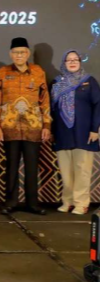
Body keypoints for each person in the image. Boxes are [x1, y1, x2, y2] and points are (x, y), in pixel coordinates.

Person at [0, 37, 51, 216]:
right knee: (11, 166)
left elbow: (44, 100)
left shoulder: (38, 72)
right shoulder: (2, 72)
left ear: (28, 54)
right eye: (15, 52)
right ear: (10, 54)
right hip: (9, 126)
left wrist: (46, 124)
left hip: (33, 127)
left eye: (22, 52)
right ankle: (10, 202)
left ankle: (32, 204)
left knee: (32, 167)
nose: (19, 55)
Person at [51, 49, 100, 215]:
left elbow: (98, 105)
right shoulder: (56, 83)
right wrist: (51, 131)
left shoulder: (89, 81)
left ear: (80, 62)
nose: (72, 62)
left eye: (75, 59)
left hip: (84, 133)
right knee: (65, 171)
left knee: (82, 169)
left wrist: (95, 129)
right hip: (62, 132)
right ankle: (68, 201)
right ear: (64, 63)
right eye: (69, 60)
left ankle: (81, 203)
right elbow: (51, 109)